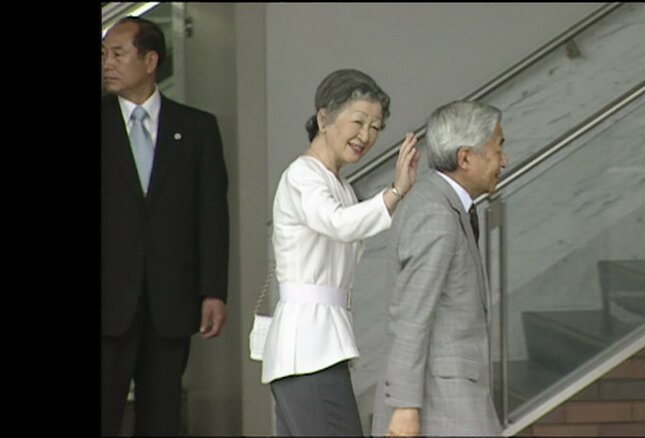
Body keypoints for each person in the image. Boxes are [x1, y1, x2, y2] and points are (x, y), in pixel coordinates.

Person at [261, 68, 420, 436]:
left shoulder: (340, 184)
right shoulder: (303, 175)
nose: (366, 136)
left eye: (376, 127)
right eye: (358, 121)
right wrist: (395, 192)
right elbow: (337, 223)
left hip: (319, 345)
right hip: (308, 348)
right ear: (323, 117)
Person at [101, 16, 229, 436]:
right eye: (104, 54)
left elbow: (212, 215)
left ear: (150, 60)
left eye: (118, 54)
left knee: (162, 419)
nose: (107, 63)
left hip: (170, 303)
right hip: (106, 302)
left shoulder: (197, 129)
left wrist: (213, 290)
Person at [371, 100, 508, 436]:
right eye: (497, 149)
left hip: (449, 400)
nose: (504, 161)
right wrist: (405, 407)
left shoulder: (438, 203)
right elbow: (412, 315)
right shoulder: (436, 214)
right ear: (465, 158)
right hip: (442, 407)